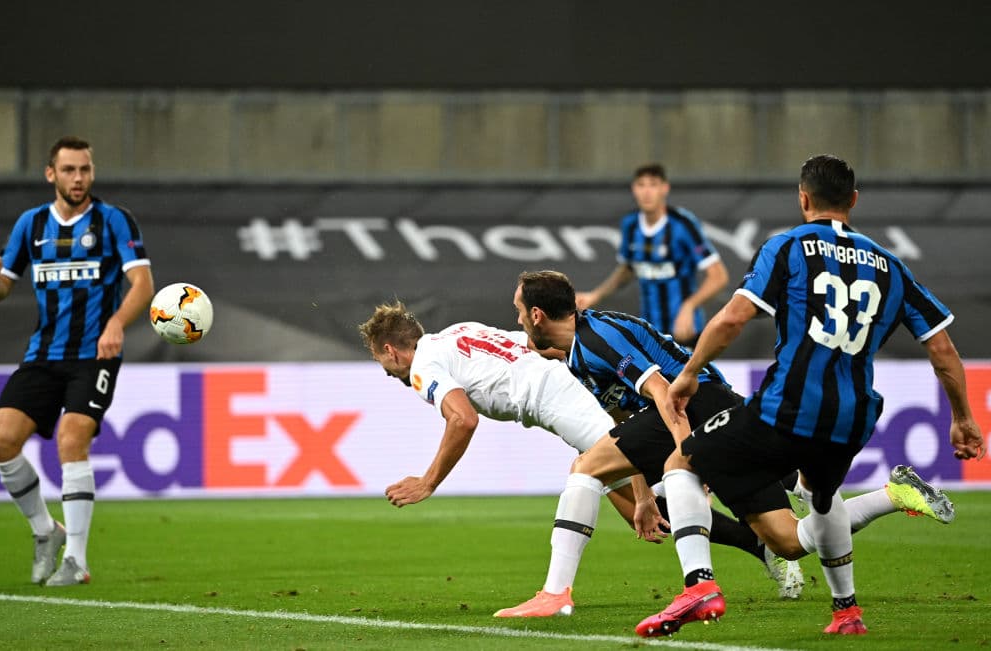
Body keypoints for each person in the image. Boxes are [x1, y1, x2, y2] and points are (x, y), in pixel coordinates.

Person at [638, 154, 986, 637]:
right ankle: (846, 612)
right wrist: (963, 418)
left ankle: (699, 585)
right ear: (854, 201)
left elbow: (735, 317)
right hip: (853, 417)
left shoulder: (786, 246)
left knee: (682, 462)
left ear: (803, 198)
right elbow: (943, 348)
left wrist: (690, 372)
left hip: (789, 406)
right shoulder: (891, 266)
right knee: (821, 501)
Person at [357, 302, 778, 617]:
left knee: (641, 487)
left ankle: (557, 594)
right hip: (562, 389)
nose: (385, 371)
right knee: (640, 496)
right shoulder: (457, 332)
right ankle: (757, 540)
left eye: (381, 362)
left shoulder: (421, 367)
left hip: (559, 399)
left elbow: (462, 419)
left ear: (391, 350)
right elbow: (531, 346)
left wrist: (429, 481)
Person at [0, 136, 155, 586]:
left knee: (71, 438)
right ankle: (46, 532)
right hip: (43, 354)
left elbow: (142, 283)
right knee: (1, 441)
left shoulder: (114, 220)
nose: (79, 178)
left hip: (94, 354)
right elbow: (2, 290)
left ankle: (76, 560)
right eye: (70, 170)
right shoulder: (31, 224)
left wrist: (116, 323)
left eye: (85, 170)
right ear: (51, 174)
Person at [575, 163, 729, 345]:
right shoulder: (630, 225)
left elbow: (719, 277)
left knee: (686, 374)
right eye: (641, 185)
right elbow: (628, 269)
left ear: (665, 188)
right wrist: (596, 295)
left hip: (685, 332)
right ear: (634, 189)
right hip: (649, 332)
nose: (647, 192)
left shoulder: (683, 225)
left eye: (653, 185)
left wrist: (689, 306)